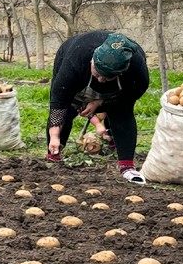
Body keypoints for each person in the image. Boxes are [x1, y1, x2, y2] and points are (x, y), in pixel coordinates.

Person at [46, 31, 150, 184]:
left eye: (107, 77)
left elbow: (127, 99)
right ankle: (54, 153)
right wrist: (54, 136)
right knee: (67, 110)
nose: (101, 80)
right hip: (72, 55)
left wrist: (99, 102)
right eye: (98, 74)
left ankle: (127, 167)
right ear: (92, 61)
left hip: (116, 92)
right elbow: (59, 101)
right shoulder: (75, 62)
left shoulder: (137, 72)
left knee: (121, 112)